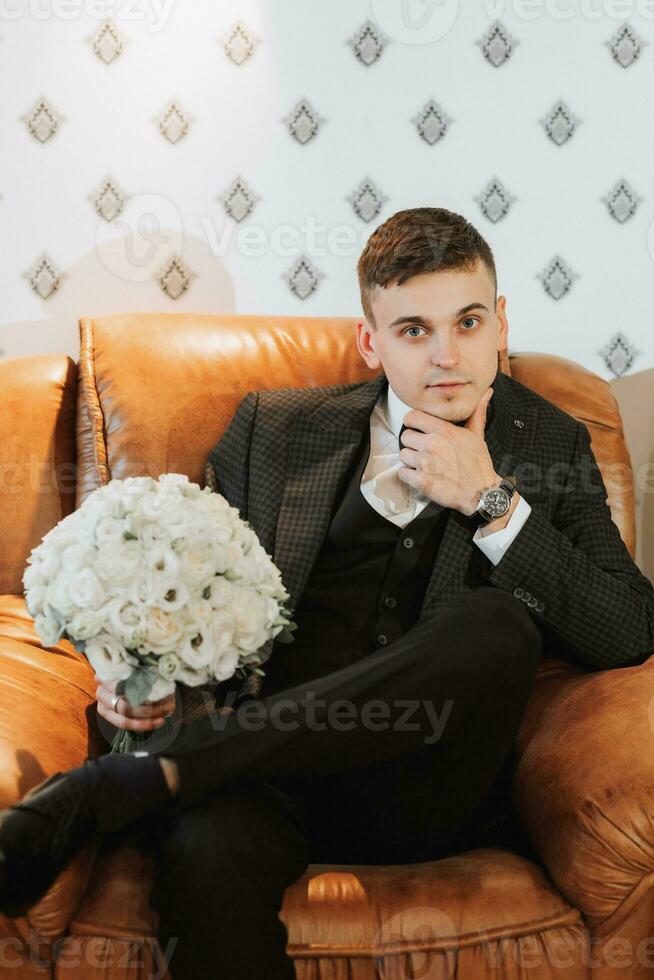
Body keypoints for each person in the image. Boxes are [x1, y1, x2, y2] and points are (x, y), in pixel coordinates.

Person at [1, 208, 653, 980]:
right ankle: (172, 764)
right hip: (261, 779)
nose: (448, 355)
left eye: (468, 322)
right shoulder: (275, 430)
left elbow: (629, 628)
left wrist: (492, 502)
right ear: (370, 342)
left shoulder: (549, 442)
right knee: (205, 853)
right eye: (414, 330)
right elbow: (191, 600)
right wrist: (137, 683)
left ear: (500, 322)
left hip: (428, 783)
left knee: (498, 627)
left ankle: (152, 774)